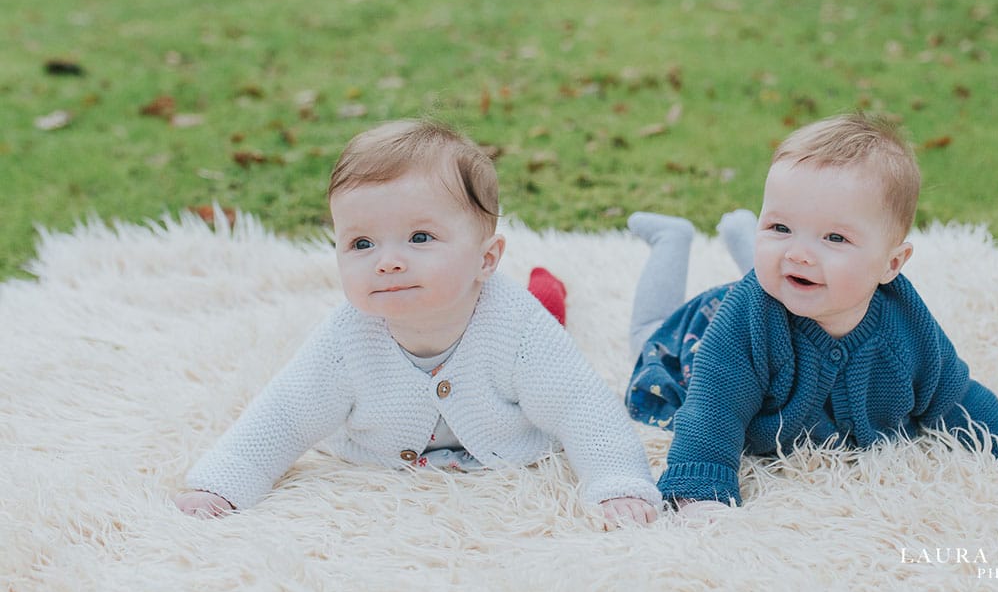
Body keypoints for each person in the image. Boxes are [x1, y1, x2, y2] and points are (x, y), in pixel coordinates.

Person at [175, 119, 660, 528]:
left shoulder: (517, 327)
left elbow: (582, 406)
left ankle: (547, 289)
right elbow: (284, 413)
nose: (387, 262)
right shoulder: (348, 338)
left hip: (510, 430)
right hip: (380, 451)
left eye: (420, 237)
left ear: (486, 258)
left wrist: (616, 481)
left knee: (546, 312)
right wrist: (226, 481)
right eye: (361, 244)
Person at [624, 112, 998, 511]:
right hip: (698, 334)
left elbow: (951, 392)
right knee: (648, 334)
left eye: (835, 238)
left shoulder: (905, 326)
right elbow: (713, 407)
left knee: (789, 272)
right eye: (780, 225)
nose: (802, 253)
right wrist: (702, 489)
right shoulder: (742, 322)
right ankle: (673, 240)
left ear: (891, 264)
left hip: (790, 294)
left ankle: (747, 234)